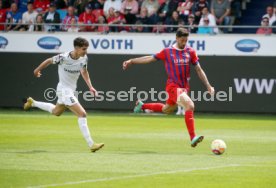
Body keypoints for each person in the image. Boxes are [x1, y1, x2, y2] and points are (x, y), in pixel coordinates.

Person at [122, 28, 215, 148]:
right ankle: (193, 137)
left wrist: (208, 85)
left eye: (186, 40)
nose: (184, 43)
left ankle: (142, 105)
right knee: (190, 105)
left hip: (184, 88)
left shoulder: (190, 52)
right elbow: (149, 58)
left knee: (167, 110)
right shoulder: (167, 51)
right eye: (182, 40)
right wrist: (132, 61)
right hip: (173, 87)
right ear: (176, 38)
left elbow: (199, 69)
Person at [23, 37, 104, 153]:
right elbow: (49, 61)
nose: (86, 51)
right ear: (76, 48)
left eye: (86, 49)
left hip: (70, 90)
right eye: (84, 49)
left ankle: (33, 103)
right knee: (82, 114)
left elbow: (84, 72)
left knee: (56, 112)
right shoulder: (63, 57)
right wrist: (37, 70)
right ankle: (91, 144)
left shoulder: (84, 58)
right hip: (64, 90)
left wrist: (90, 87)